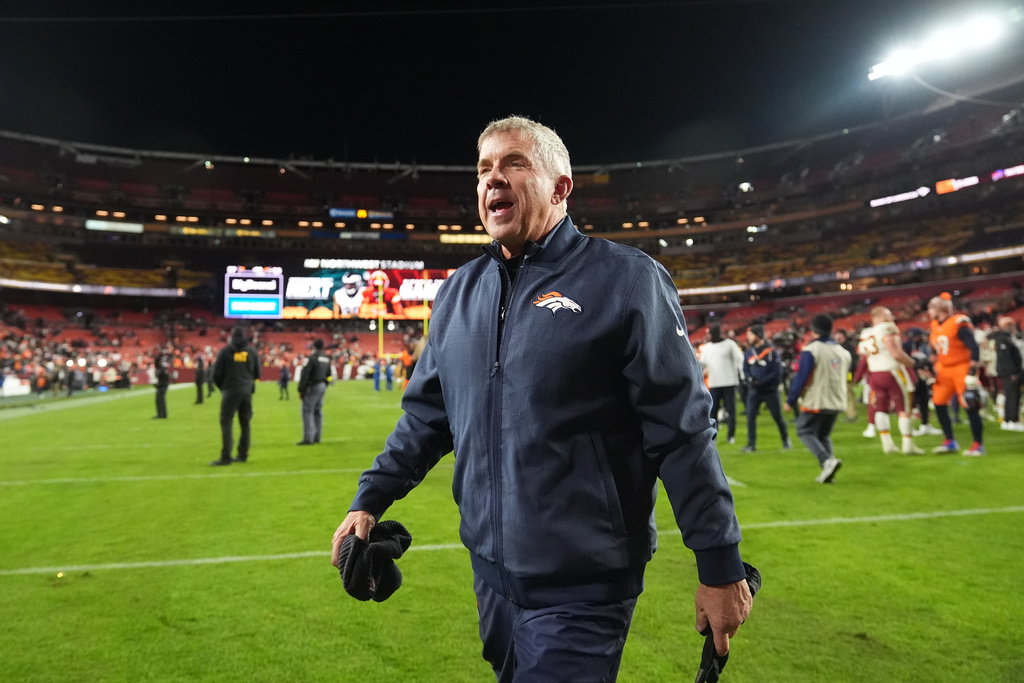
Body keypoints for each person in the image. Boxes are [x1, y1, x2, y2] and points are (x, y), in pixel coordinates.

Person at [330, 116, 751, 681]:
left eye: (514, 164)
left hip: (585, 585)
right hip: (492, 577)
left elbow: (681, 433)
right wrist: (370, 499)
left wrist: (720, 566)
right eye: (483, 169)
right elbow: (427, 418)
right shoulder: (458, 292)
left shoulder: (626, 281)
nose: (492, 179)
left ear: (560, 187)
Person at [784, 314, 851, 483]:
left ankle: (827, 460)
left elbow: (802, 377)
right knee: (823, 435)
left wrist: (791, 400)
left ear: (813, 330)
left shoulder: (811, 350)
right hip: (837, 399)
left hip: (818, 398)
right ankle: (829, 472)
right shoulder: (843, 352)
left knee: (804, 430)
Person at [860, 307, 923, 454]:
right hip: (892, 371)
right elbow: (895, 353)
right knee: (903, 408)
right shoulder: (887, 328)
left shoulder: (867, 333)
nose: (892, 318)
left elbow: (862, 353)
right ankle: (908, 445)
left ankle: (887, 444)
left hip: (875, 373)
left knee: (881, 408)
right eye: (889, 314)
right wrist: (914, 364)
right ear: (881, 315)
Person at [927, 295, 985, 456]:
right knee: (938, 402)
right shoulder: (934, 325)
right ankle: (950, 441)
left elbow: (974, 347)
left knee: (970, 403)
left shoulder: (958, 323)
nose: (928, 312)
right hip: (943, 369)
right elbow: (935, 349)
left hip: (961, 367)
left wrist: (972, 370)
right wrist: (927, 362)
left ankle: (978, 445)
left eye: (931, 308)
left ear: (940, 309)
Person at [211, 326, 259, 465]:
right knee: (245, 423)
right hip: (247, 390)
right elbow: (258, 373)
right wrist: (248, 383)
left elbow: (216, 374)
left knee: (226, 421)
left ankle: (226, 457)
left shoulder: (225, 352)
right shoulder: (252, 351)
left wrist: (223, 388)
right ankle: (243, 455)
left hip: (230, 389)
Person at [741, 324, 791, 453]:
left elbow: (777, 372)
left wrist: (762, 382)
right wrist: (750, 380)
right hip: (754, 391)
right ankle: (751, 444)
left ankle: (786, 441)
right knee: (750, 417)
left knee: (777, 417)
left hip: (770, 391)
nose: (748, 337)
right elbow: (745, 369)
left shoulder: (772, 352)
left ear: (758, 335)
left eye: (751, 334)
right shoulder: (748, 353)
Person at [699, 323, 744, 444]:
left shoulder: (729, 344)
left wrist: (738, 374)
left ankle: (731, 435)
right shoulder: (707, 347)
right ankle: (715, 435)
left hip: (729, 382)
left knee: (731, 409)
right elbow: (702, 363)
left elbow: (739, 359)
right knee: (713, 411)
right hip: (714, 383)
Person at [904, 327, 943, 436]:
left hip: (923, 378)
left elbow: (928, 361)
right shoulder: (906, 346)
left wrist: (932, 373)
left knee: (924, 401)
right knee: (911, 403)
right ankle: (909, 427)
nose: (922, 337)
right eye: (919, 336)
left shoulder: (924, 346)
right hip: (911, 377)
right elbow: (906, 362)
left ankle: (925, 425)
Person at [991, 317, 1023, 430]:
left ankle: (1008, 420)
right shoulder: (1003, 339)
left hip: (1009, 372)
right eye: (1010, 325)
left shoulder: (1006, 338)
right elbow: (1006, 358)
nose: (1012, 327)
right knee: (1012, 396)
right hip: (1009, 373)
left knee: (1011, 396)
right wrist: (1013, 372)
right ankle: (1012, 420)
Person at [297, 338, 330, 445]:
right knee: (318, 411)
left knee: (307, 411)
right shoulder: (326, 358)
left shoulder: (311, 357)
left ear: (314, 346)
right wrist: (325, 385)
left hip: (313, 386)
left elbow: (305, 374)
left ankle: (308, 438)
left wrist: (301, 389)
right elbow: (329, 374)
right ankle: (317, 437)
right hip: (322, 385)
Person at [833, 328, 859, 422]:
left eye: (838, 336)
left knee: (848, 393)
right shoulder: (839, 346)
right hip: (839, 374)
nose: (836, 338)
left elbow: (852, 362)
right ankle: (847, 411)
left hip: (847, 374)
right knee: (843, 393)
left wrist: (850, 373)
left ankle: (852, 415)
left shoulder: (848, 347)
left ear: (843, 336)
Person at [153, 351, 170, 419]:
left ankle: (161, 414)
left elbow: (164, 379)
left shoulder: (162, 368)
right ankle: (162, 414)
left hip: (162, 386)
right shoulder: (161, 368)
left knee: (160, 400)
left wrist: (158, 385)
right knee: (160, 400)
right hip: (162, 386)